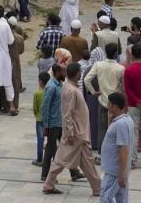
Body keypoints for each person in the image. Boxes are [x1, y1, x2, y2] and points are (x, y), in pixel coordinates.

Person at [43, 62, 102, 196]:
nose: (81, 74)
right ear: (76, 74)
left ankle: (98, 188)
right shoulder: (71, 90)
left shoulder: (70, 87)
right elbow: (67, 113)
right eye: (80, 72)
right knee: (61, 160)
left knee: (86, 162)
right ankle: (48, 184)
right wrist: (70, 132)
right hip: (75, 134)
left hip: (78, 133)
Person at [100, 92, 135, 203]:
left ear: (114, 106)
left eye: (109, 104)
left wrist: (121, 174)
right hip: (118, 171)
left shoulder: (121, 124)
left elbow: (123, 149)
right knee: (121, 199)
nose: (107, 106)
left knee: (105, 197)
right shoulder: (125, 120)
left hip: (114, 172)